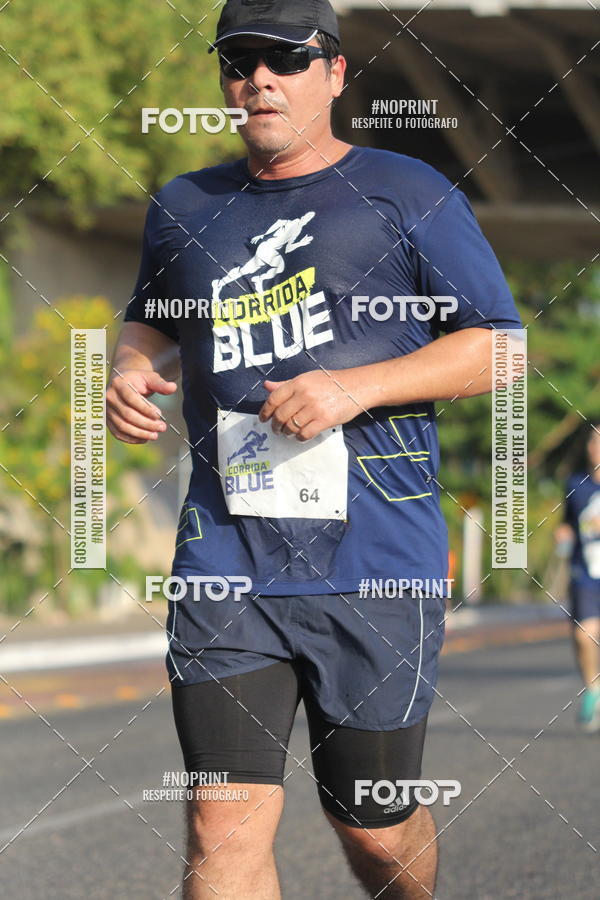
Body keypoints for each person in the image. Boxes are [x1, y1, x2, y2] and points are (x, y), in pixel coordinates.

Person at [106, 0, 521, 896]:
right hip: (228, 558)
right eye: (238, 61)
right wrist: (131, 367)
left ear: (334, 72)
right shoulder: (185, 205)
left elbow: (503, 347)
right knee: (222, 825)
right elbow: (151, 319)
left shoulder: (407, 190)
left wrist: (353, 388)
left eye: (285, 59)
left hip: (374, 563)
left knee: (371, 825)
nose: (259, 77)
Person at [554, 422, 600, 732]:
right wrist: (564, 532)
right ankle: (592, 689)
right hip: (586, 572)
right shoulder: (576, 484)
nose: (595, 449)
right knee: (584, 634)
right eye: (594, 443)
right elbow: (568, 522)